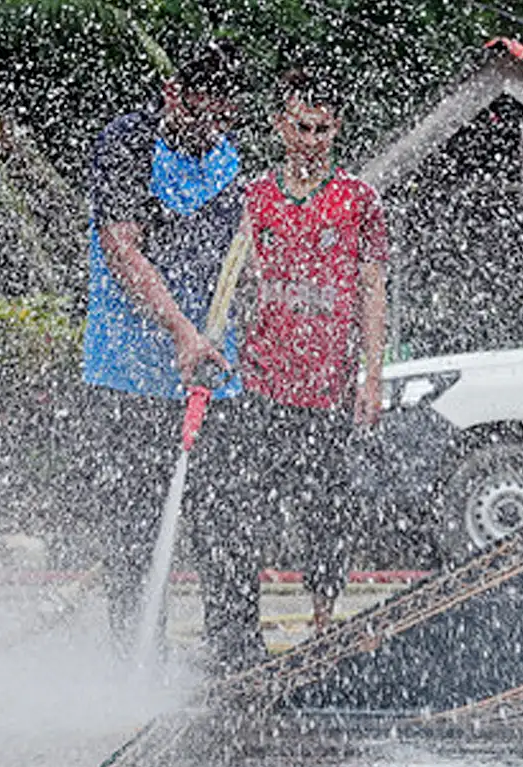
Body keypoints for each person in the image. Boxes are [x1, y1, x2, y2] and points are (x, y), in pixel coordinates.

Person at [191, 67, 389, 668]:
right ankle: (238, 634)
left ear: (336, 130)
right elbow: (226, 283)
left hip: (328, 385)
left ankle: (325, 619)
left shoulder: (359, 199)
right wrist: (207, 349)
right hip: (258, 381)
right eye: (301, 126)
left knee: (328, 505)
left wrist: (372, 375)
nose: (311, 139)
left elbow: (373, 289)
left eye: (323, 129)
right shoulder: (253, 197)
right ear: (280, 125)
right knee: (243, 508)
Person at [82, 44, 244, 645]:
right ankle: (136, 656)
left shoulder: (230, 160)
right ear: (174, 94)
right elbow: (123, 250)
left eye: (224, 119)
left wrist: (210, 342)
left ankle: (233, 654)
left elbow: (237, 261)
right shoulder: (127, 143)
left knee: (225, 524)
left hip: (210, 373)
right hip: (127, 371)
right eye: (203, 116)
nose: (212, 132)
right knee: (134, 530)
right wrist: (181, 332)